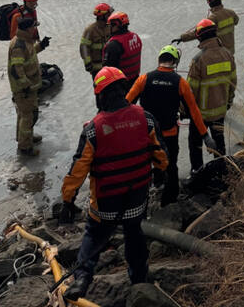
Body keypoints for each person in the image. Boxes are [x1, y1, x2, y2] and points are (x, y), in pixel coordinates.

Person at [59, 66, 168, 302]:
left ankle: (82, 278)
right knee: (134, 234)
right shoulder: (146, 118)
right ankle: (139, 278)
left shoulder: (93, 129)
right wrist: (161, 172)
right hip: (137, 199)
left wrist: (67, 201)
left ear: (100, 95)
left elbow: (78, 170)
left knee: (93, 234)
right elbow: (161, 155)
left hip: (105, 205)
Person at [126, 45, 215, 205]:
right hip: (169, 134)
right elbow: (194, 111)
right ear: (174, 62)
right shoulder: (180, 82)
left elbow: (126, 104)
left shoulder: (144, 79)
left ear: (159, 60)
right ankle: (170, 201)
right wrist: (205, 136)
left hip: (147, 135)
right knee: (171, 166)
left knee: (148, 164)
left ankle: (153, 189)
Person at [186, 19, 237, 173]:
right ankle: (221, 170)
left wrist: (184, 110)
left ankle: (198, 172)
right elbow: (233, 82)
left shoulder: (198, 59)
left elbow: (190, 90)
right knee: (219, 141)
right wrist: (228, 101)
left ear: (200, 37)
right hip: (220, 109)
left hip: (201, 113)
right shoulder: (227, 54)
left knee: (195, 143)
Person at [8, 15, 51, 156]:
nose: (35, 29)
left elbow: (30, 54)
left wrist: (41, 45)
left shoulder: (25, 41)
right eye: (33, 27)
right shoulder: (18, 45)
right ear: (28, 28)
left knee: (24, 114)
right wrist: (25, 86)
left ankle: (24, 138)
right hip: (23, 89)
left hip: (29, 86)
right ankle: (25, 147)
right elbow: (16, 69)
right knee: (28, 116)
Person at [102, 11, 143, 88]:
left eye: (111, 25)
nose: (109, 28)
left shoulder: (113, 45)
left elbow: (108, 70)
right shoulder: (135, 37)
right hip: (135, 82)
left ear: (117, 25)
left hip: (121, 86)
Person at [80, 3, 113, 77]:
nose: (110, 16)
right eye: (108, 14)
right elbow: (84, 47)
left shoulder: (110, 27)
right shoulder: (90, 30)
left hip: (110, 66)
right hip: (96, 68)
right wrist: (87, 63)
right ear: (101, 16)